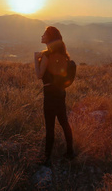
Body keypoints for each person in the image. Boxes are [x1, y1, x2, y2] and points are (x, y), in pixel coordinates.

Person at [34, 26, 74, 166]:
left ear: (49, 37)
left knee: (49, 127)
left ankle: (46, 158)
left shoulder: (46, 55)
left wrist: (35, 58)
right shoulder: (62, 54)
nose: (42, 36)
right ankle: (70, 152)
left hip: (50, 96)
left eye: (44, 34)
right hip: (60, 94)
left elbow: (39, 75)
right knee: (64, 123)